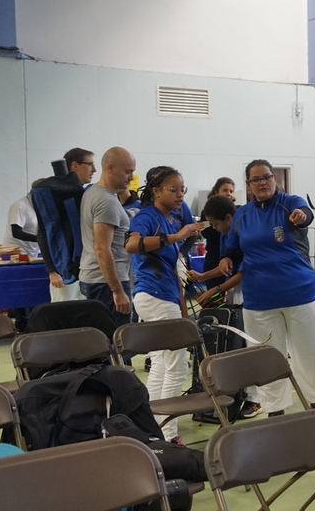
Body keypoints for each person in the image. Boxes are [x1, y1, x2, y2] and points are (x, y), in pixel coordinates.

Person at [218, 159, 315, 417]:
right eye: (256, 179)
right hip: (259, 301)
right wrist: (226, 259)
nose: (263, 183)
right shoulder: (242, 215)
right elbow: (233, 249)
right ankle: (275, 409)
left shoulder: (289, 203)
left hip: (299, 294)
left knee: (311, 351)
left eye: (267, 177)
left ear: (274, 179)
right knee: (267, 358)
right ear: (248, 184)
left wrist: (302, 216)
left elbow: (305, 213)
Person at [124, 166, 204, 442]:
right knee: (177, 367)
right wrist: (177, 237)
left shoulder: (169, 218)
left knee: (160, 363)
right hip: (154, 295)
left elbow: (173, 271)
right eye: (173, 189)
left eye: (183, 189)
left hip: (162, 295)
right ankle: (168, 435)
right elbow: (131, 245)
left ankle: (153, 430)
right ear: (156, 191)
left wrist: (183, 312)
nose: (180, 195)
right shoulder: (147, 216)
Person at [194, 195, 262, 419]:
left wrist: (215, 289)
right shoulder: (227, 236)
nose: (214, 229)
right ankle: (240, 394)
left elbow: (241, 273)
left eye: (215, 224)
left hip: (252, 296)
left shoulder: (244, 234)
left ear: (228, 218)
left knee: (251, 347)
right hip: (235, 297)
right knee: (238, 349)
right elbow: (228, 267)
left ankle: (256, 399)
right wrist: (203, 276)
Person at [79, 147, 138, 327]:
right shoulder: (106, 201)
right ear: (110, 168)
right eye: (127, 172)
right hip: (107, 283)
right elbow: (101, 248)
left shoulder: (93, 192)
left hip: (97, 278)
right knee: (117, 338)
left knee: (104, 336)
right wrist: (117, 291)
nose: (131, 177)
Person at [45, 147, 97, 302]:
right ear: (74, 165)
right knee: (63, 312)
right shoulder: (56, 196)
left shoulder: (84, 194)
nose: (94, 170)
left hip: (85, 268)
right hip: (65, 271)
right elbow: (44, 233)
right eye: (90, 164)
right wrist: (52, 271)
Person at [199, 177, 235, 290]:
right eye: (225, 190)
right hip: (214, 259)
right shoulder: (207, 213)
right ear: (216, 191)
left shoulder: (235, 231)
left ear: (229, 218)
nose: (228, 194)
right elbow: (206, 233)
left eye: (231, 191)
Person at [2, 180, 45, 258]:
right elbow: (16, 232)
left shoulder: (40, 206)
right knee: (20, 265)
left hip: (30, 252)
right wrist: (42, 240)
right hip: (14, 253)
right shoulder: (20, 206)